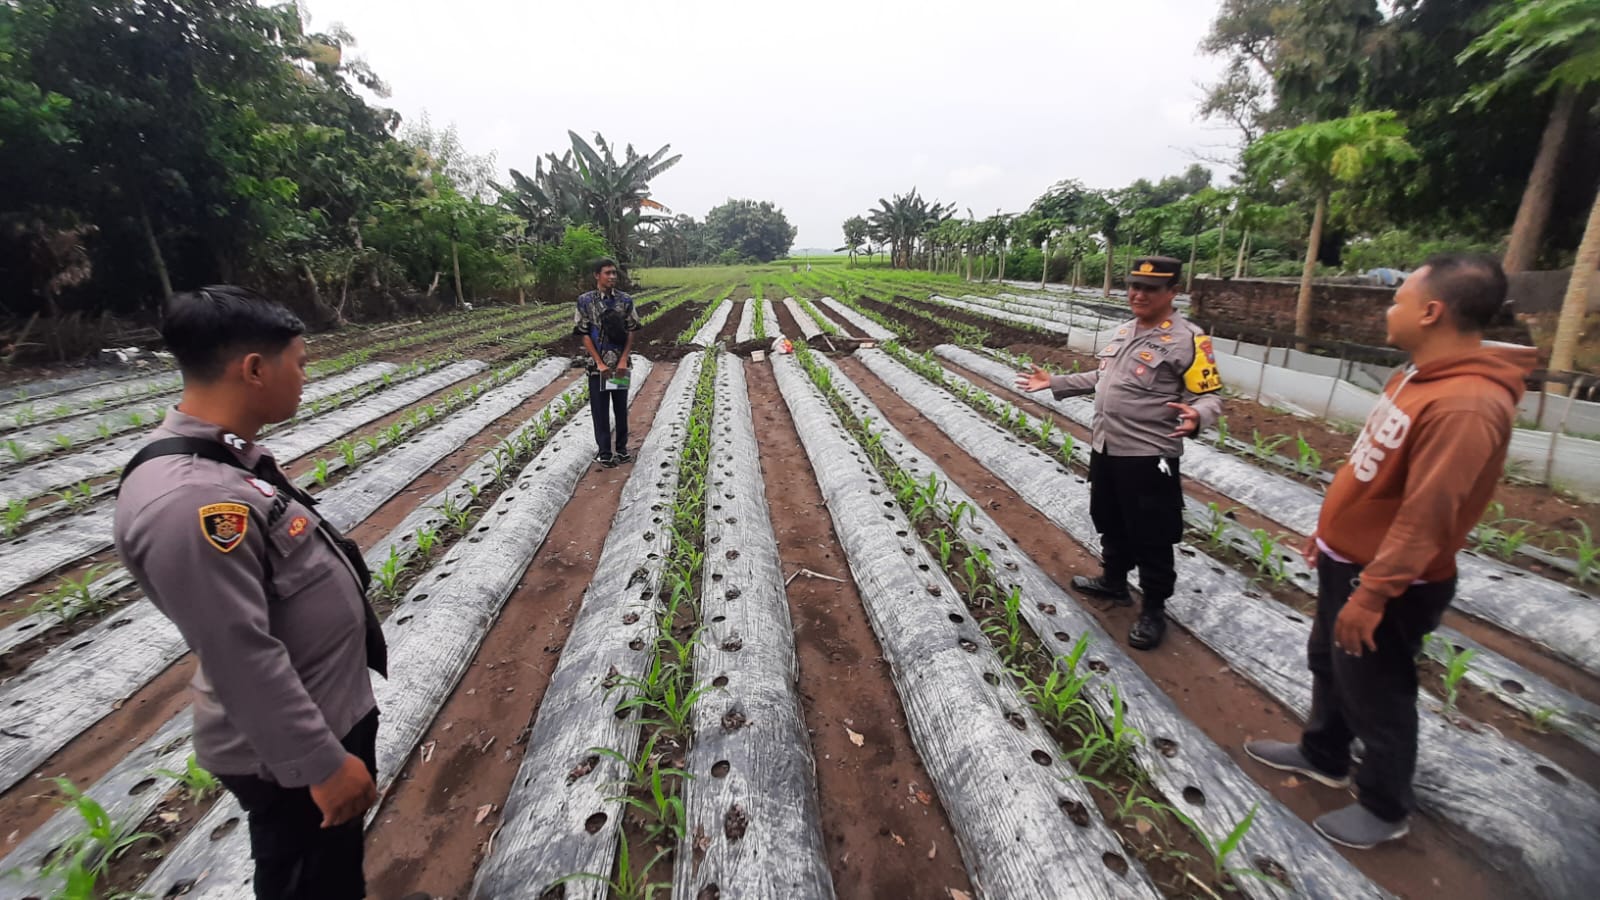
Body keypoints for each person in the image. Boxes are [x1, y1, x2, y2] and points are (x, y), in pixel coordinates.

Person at [1244, 254, 1535, 849]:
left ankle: (1384, 804)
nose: (1389, 308)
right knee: (1330, 661)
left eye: (1398, 299)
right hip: (1349, 558)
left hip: (1391, 580)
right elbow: (1372, 470)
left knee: (1380, 690)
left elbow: (1429, 514)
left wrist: (1374, 592)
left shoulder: (1466, 404)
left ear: (1432, 311)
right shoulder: (1416, 375)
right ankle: (1322, 752)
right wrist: (1329, 534)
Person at [115, 286, 388, 900]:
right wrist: (320, 763)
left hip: (328, 707)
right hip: (292, 747)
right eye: (299, 360)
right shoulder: (190, 500)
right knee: (303, 877)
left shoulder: (227, 461)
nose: (306, 373)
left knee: (333, 863)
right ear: (255, 369)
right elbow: (239, 654)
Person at [1015, 256, 1223, 650]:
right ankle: (1114, 581)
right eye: (1134, 286)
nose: (1138, 294)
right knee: (1108, 517)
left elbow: (1209, 395)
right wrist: (1055, 381)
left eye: (1150, 288)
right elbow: (1102, 377)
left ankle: (1154, 608)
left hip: (1150, 455)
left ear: (1172, 292)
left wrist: (1198, 415)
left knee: (1152, 532)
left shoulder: (1190, 339)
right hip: (1107, 447)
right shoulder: (1125, 330)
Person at [573, 257, 641, 468]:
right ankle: (605, 452)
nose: (612, 277)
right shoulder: (585, 301)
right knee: (600, 411)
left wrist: (622, 360)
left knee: (620, 409)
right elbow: (583, 333)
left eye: (614, 273)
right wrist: (599, 363)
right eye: (607, 273)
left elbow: (631, 330)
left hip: (619, 368)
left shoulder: (625, 300)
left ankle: (621, 450)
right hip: (598, 369)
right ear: (597, 276)